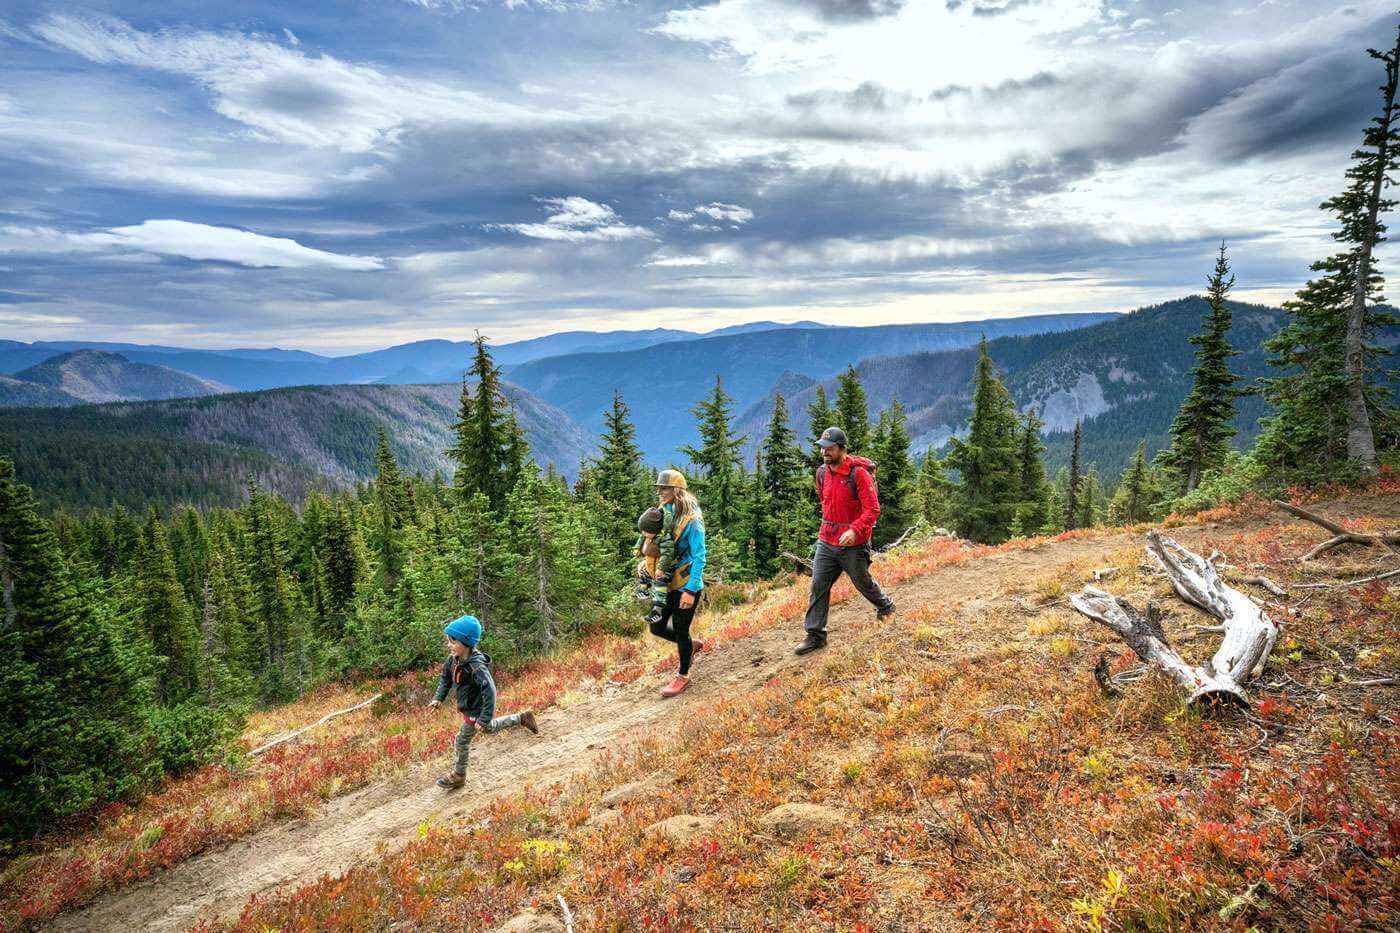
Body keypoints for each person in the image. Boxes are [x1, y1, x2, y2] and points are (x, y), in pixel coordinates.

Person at [794, 426, 895, 656]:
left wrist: (854, 530)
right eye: (822, 448)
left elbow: (873, 510)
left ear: (842, 449)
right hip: (827, 540)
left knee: (862, 582)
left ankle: (885, 606)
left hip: (853, 544)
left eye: (830, 448)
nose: (825, 453)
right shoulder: (822, 473)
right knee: (818, 585)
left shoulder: (858, 475)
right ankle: (815, 635)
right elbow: (825, 503)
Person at [429, 614, 540, 789]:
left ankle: (459, 775)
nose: (449, 645)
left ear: (466, 643)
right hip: (469, 706)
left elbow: (490, 692)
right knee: (488, 729)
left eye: (452, 641)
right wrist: (438, 698)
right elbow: (445, 678)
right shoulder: (453, 659)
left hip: (477, 708)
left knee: (462, 739)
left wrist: (483, 716)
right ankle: (522, 718)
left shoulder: (477, 667)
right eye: (448, 640)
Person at [648, 469, 707, 697]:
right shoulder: (664, 512)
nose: (660, 492)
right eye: (659, 488)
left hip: (686, 583)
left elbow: (700, 556)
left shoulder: (693, 520)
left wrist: (691, 590)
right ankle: (690, 645)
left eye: (664, 488)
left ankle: (683, 676)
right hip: (666, 582)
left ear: (676, 490)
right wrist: (647, 562)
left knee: (681, 629)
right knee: (657, 626)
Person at [633, 505, 677, 625]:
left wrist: (661, 569)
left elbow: (667, 554)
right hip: (652, 565)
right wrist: (637, 548)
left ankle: (657, 611)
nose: (643, 533)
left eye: (645, 531)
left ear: (655, 531)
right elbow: (642, 538)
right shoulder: (650, 533)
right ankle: (643, 590)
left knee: (659, 586)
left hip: (664, 569)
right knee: (643, 573)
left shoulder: (665, 538)